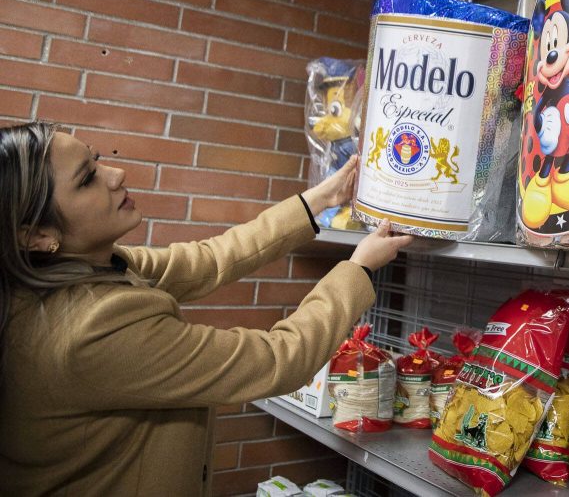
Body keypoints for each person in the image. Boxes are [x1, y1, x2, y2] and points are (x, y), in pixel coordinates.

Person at [0, 122, 412, 495]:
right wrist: (357, 268)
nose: (115, 174)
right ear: (37, 234)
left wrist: (320, 198)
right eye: (88, 178)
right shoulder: (90, 328)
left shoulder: (80, 269)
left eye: (96, 159)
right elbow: (276, 360)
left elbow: (208, 260)